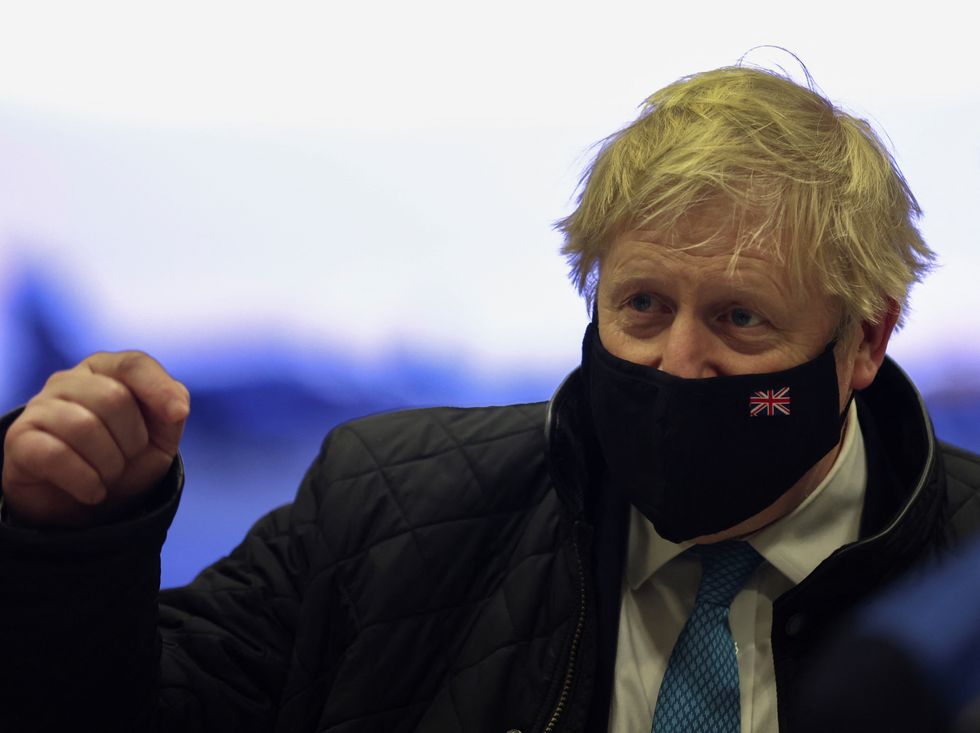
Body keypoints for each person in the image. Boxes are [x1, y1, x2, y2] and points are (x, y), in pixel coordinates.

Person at [1, 64, 978, 733]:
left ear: (863, 339)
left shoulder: (963, 584)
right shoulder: (381, 510)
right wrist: (68, 543)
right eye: (640, 305)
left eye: (738, 319)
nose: (676, 364)